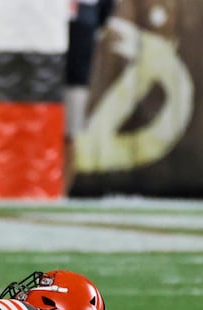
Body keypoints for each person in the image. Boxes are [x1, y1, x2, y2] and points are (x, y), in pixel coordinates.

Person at [63, 0, 115, 194]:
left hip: (75, 64)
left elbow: (103, 13)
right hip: (39, 60)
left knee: (68, 132)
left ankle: (61, 193)